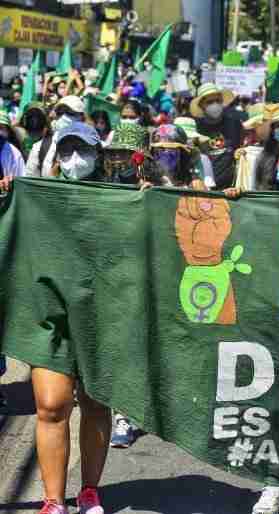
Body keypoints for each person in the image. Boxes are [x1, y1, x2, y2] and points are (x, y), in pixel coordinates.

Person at [13, 122, 112, 514]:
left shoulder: (117, 199)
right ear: (55, 156)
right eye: (67, 150)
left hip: (102, 317)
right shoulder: (36, 197)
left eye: (83, 150)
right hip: (50, 316)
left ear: (98, 155)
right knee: (51, 406)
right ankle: (53, 501)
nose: (75, 159)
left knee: (96, 404)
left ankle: (89, 491)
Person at [191, 83, 242, 189]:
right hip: (204, 189)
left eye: (218, 101)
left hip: (230, 189)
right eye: (209, 102)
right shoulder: (195, 128)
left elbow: (239, 151)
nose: (215, 104)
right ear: (201, 105)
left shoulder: (234, 124)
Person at [40, 96, 89, 177]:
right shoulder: (42, 146)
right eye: (60, 112)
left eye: (70, 113)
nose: (64, 117)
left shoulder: (93, 146)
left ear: (81, 117)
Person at [174, 117, 216, 189]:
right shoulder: (164, 157)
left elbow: (208, 188)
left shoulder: (202, 159)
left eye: (189, 138)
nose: (187, 141)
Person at [0, 110, 26, 192]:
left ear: (8, 132)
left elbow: (22, 182)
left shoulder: (14, 154)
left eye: (1, 128)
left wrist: (12, 182)